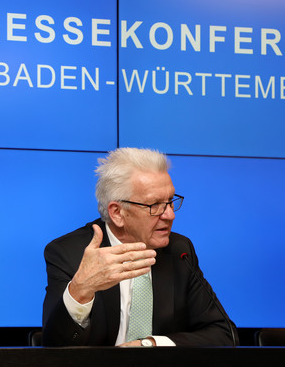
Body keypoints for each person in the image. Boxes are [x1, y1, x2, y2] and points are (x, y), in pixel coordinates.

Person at [42, 147, 237, 347]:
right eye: (155, 205)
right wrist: (81, 289)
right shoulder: (70, 253)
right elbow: (54, 348)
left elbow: (224, 334)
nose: (170, 215)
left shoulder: (179, 250)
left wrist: (152, 345)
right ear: (117, 212)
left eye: (170, 201)